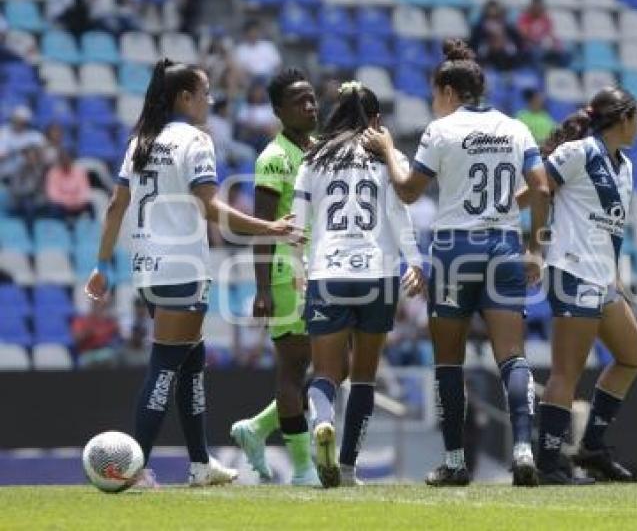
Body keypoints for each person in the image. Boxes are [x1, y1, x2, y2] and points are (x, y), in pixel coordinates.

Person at [84, 58, 303, 488]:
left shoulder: (141, 142)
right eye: (206, 93)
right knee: (166, 363)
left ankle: (201, 463)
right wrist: (269, 226)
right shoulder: (195, 141)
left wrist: (103, 264)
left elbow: (115, 206)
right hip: (182, 266)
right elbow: (211, 209)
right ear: (186, 97)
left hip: (147, 268)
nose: (211, 100)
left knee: (192, 359)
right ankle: (133, 468)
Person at [364, 40, 550, 487]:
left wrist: (388, 149)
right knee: (513, 357)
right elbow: (542, 190)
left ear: (448, 89)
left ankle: (453, 461)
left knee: (449, 362)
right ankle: (524, 448)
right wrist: (536, 249)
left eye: (434, 92)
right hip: (504, 248)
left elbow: (408, 190)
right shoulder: (516, 128)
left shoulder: (440, 130)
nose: (433, 101)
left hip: (454, 250)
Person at [296, 81, 425, 487]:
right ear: (376, 121)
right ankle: (349, 468)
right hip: (377, 273)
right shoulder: (388, 157)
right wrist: (416, 261)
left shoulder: (313, 159)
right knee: (365, 376)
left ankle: (322, 420)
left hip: (328, 271)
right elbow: (401, 214)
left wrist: (302, 267)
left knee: (325, 373)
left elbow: (298, 227)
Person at [528, 87, 637, 484]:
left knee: (631, 356)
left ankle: (591, 447)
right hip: (572, 271)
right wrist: (536, 246)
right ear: (623, 118)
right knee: (566, 373)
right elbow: (536, 190)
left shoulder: (625, 165)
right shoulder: (579, 152)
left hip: (602, 277)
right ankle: (546, 466)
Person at [229, 69, 321, 486]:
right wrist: (263, 287)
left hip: (319, 267)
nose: (310, 105)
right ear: (279, 111)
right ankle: (303, 468)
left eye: (312, 98)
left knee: (327, 362)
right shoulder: (274, 157)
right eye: (300, 101)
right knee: (293, 366)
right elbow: (262, 227)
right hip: (289, 271)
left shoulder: (318, 150)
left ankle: (258, 428)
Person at [44, 149, 93, 220]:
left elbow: (85, 190)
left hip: (78, 204)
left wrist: (78, 202)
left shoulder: (80, 172)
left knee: (90, 205)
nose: (65, 162)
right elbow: (52, 194)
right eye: (63, 160)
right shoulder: (53, 173)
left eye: (67, 159)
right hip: (62, 205)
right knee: (53, 208)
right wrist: (68, 203)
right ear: (60, 161)